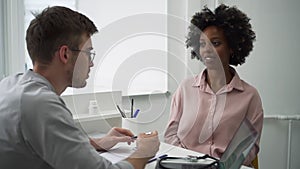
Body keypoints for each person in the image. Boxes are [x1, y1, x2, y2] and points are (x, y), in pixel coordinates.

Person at [0, 6, 159, 169]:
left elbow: (45, 141)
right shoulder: (41, 104)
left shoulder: (11, 85)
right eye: (88, 53)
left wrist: (96, 143)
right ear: (65, 54)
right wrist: (144, 152)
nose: (91, 63)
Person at [164, 4, 263, 167]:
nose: (207, 50)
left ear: (232, 47)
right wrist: (187, 162)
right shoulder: (185, 88)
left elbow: (248, 149)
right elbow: (170, 136)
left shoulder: (250, 96)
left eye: (215, 43)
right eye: (202, 44)